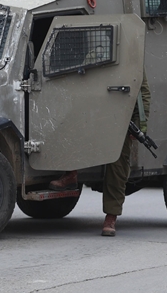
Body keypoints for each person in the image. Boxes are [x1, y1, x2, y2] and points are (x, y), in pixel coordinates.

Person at [49, 73, 151, 236]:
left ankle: (111, 216)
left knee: (118, 165)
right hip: (94, 113)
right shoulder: (96, 51)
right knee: (71, 135)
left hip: (120, 116)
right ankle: (71, 174)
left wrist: (140, 124)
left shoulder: (131, 53)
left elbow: (143, 91)